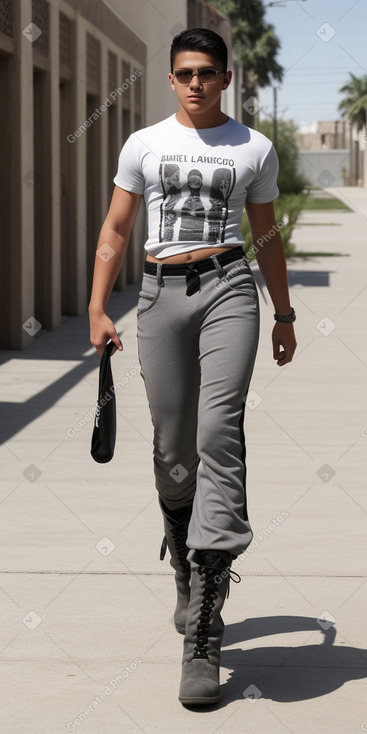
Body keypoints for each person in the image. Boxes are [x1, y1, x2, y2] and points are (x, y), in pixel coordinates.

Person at [88, 27, 297, 706]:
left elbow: (263, 234)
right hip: (157, 297)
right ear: (171, 79)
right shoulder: (144, 144)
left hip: (228, 291)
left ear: (226, 78)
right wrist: (97, 309)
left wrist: (285, 313)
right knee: (173, 447)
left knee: (217, 435)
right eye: (184, 73)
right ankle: (183, 559)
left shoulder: (252, 148)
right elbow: (117, 229)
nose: (196, 83)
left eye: (207, 72)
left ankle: (203, 625)